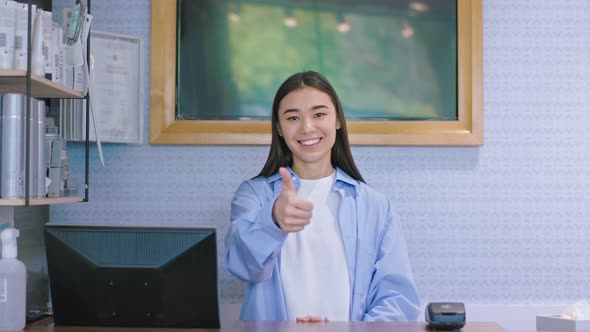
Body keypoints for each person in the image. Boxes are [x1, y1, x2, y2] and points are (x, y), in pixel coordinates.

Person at [225, 71, 420, 322]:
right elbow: (243, 266)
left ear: (337, 119)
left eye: (319, 114)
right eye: (293, 117)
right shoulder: (254, 195)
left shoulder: (375, 206)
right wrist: (272, 220)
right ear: (279, 128)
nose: (307, 127)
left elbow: (397, 299)